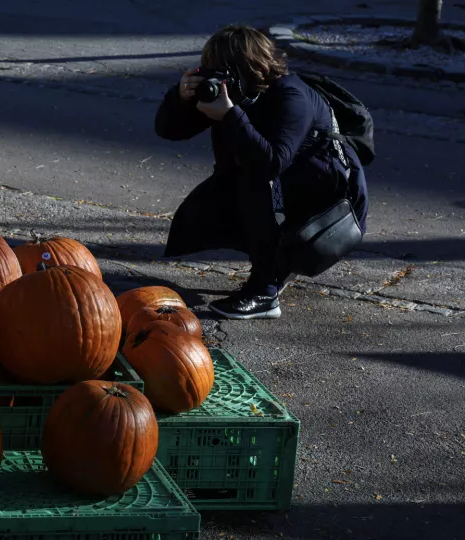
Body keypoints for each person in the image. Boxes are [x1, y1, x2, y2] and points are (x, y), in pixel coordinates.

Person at [155, 24, 368, 319]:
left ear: (248, 68)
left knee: (253, 184)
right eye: (209, 71)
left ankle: (265, 292)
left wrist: (230, 115)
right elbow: (168, 131)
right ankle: (280, 262)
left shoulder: (291, 96)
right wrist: (180, 98)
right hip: (293, 185)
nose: (217, 80)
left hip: (333, 202)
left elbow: (271, 163)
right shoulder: (239, 93)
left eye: (222, 71)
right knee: (225, 192)